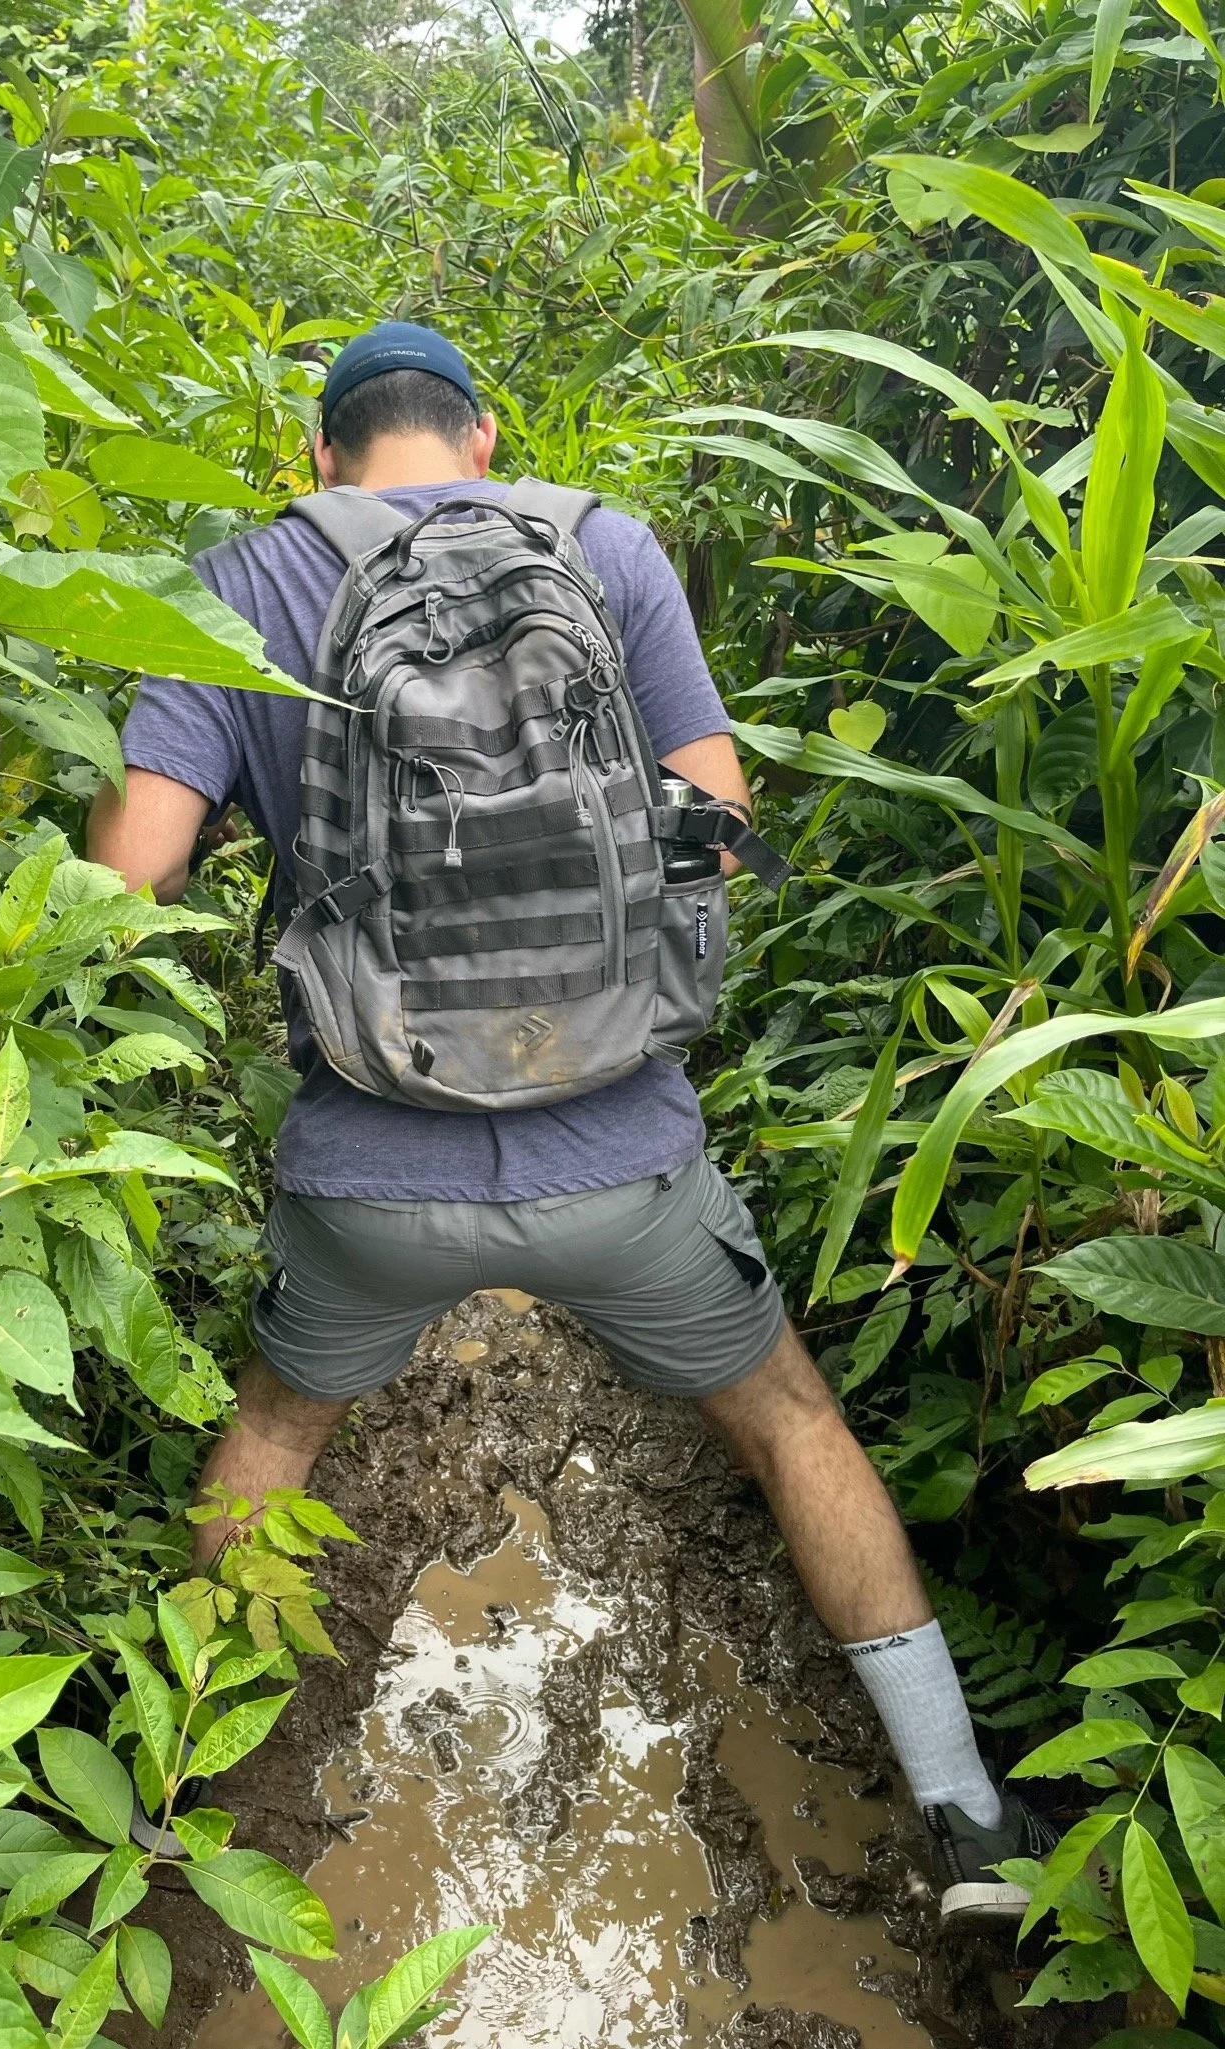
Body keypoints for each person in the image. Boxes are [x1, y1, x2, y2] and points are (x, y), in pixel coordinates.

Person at [86, 320, 1052, 1923]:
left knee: (275, 1434)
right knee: (791, 1422)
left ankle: (161, 1813)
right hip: (624, 1156)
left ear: (319, 455)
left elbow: (129, 878)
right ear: (482, 439)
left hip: (367, 1172)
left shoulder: (241, 581)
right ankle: (968, 1822)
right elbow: (720, 825)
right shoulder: (604, 546)